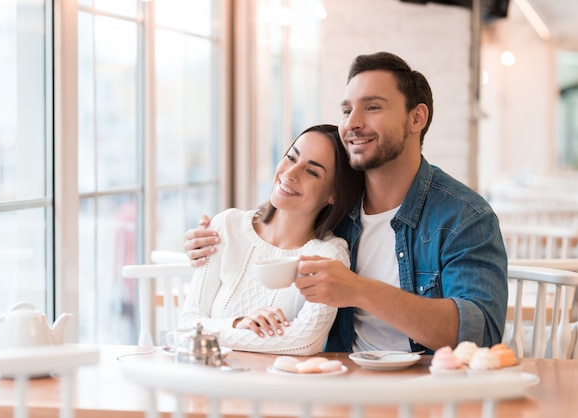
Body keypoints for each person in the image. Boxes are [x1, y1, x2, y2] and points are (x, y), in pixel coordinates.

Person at [183, 51, 508, 354]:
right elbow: (273, 227)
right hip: (336, 387)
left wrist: (359, 290)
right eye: (346, 110)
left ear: (416, 118)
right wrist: (215, 237)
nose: (352, 123)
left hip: (429, 394)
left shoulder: (464, 217)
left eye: (373, 107)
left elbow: (481, 331)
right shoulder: (335, 211)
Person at [178, 124, 364, 356]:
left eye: (311, 172)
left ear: (334, 194)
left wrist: (216, 333)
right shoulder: (226, 226)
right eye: (291, 157)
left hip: (277, 388)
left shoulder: (328, 256)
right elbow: (186, 325)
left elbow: (305, 343)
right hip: (212, 384)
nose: (290, 173)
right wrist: (238, 323)